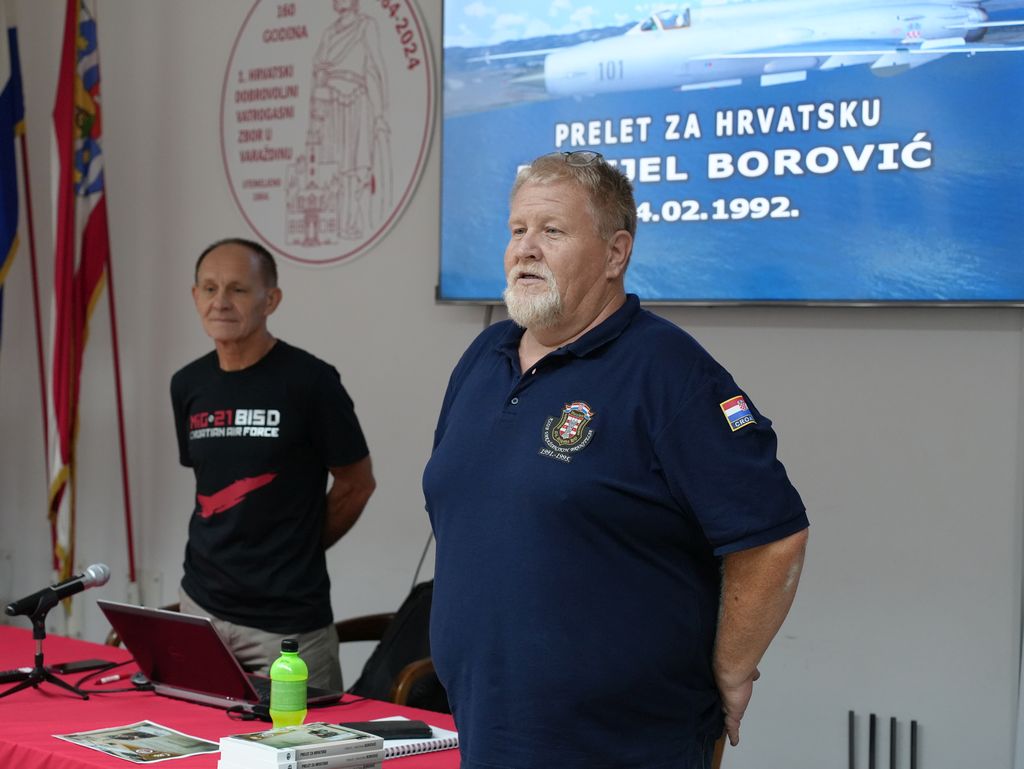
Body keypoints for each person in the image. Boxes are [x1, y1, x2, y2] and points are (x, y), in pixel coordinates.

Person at [422, 151, 809, 768]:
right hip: (488, 728)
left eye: (552, 231)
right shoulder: (484, 356)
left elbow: (772, 537)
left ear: (615, 254)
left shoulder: (669, 372)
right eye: (517, 230)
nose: (525, 249)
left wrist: (732, 669)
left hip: (624, 745)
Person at [171, 237, 375, 690]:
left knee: (299, 734)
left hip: (287, 624)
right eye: (210, 289)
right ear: (195, 296)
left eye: (238, 289)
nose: (221, 302)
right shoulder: (187, 384)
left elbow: (357, 484)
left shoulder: (311, 381)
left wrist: (299, 547)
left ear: (271, 300)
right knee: (195, 733)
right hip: (201, 606)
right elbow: (209, 486)